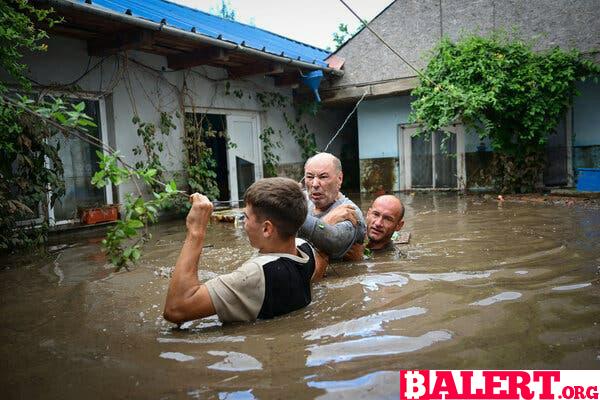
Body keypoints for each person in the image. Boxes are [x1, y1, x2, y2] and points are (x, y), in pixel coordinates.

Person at [163, 177, 327, 325]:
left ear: (266, 229)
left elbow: (175, 309)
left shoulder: (255, 273)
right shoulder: (306, 249)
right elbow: (319, 268)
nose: (243, 224)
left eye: (246, 218)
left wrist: (196, 230)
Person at [298, 152, 366, 261]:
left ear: (339, 179)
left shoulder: (350, 212)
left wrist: (291, 219)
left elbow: (333, 241)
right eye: (310, 177)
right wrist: (328, 220)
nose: (315, 184)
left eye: (323, 177)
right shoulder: (300, 199)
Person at [328, 194, 405, 252]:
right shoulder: (351, 234)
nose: (378, 223)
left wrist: (360, 260)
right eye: (376, 214)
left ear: (399, 225)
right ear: (368, 214)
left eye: (387, 219)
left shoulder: (394, 259)